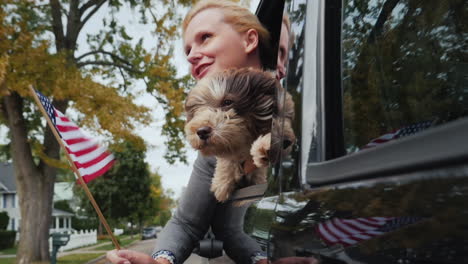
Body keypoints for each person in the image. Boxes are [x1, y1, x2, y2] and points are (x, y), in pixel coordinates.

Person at [107, 1, 273, 264]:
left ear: (249, 40)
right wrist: (160, 260)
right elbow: (187, 223)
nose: (191, 55)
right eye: (188, 49)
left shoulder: (298, 101)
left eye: (205, 37)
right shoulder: (215, 146)